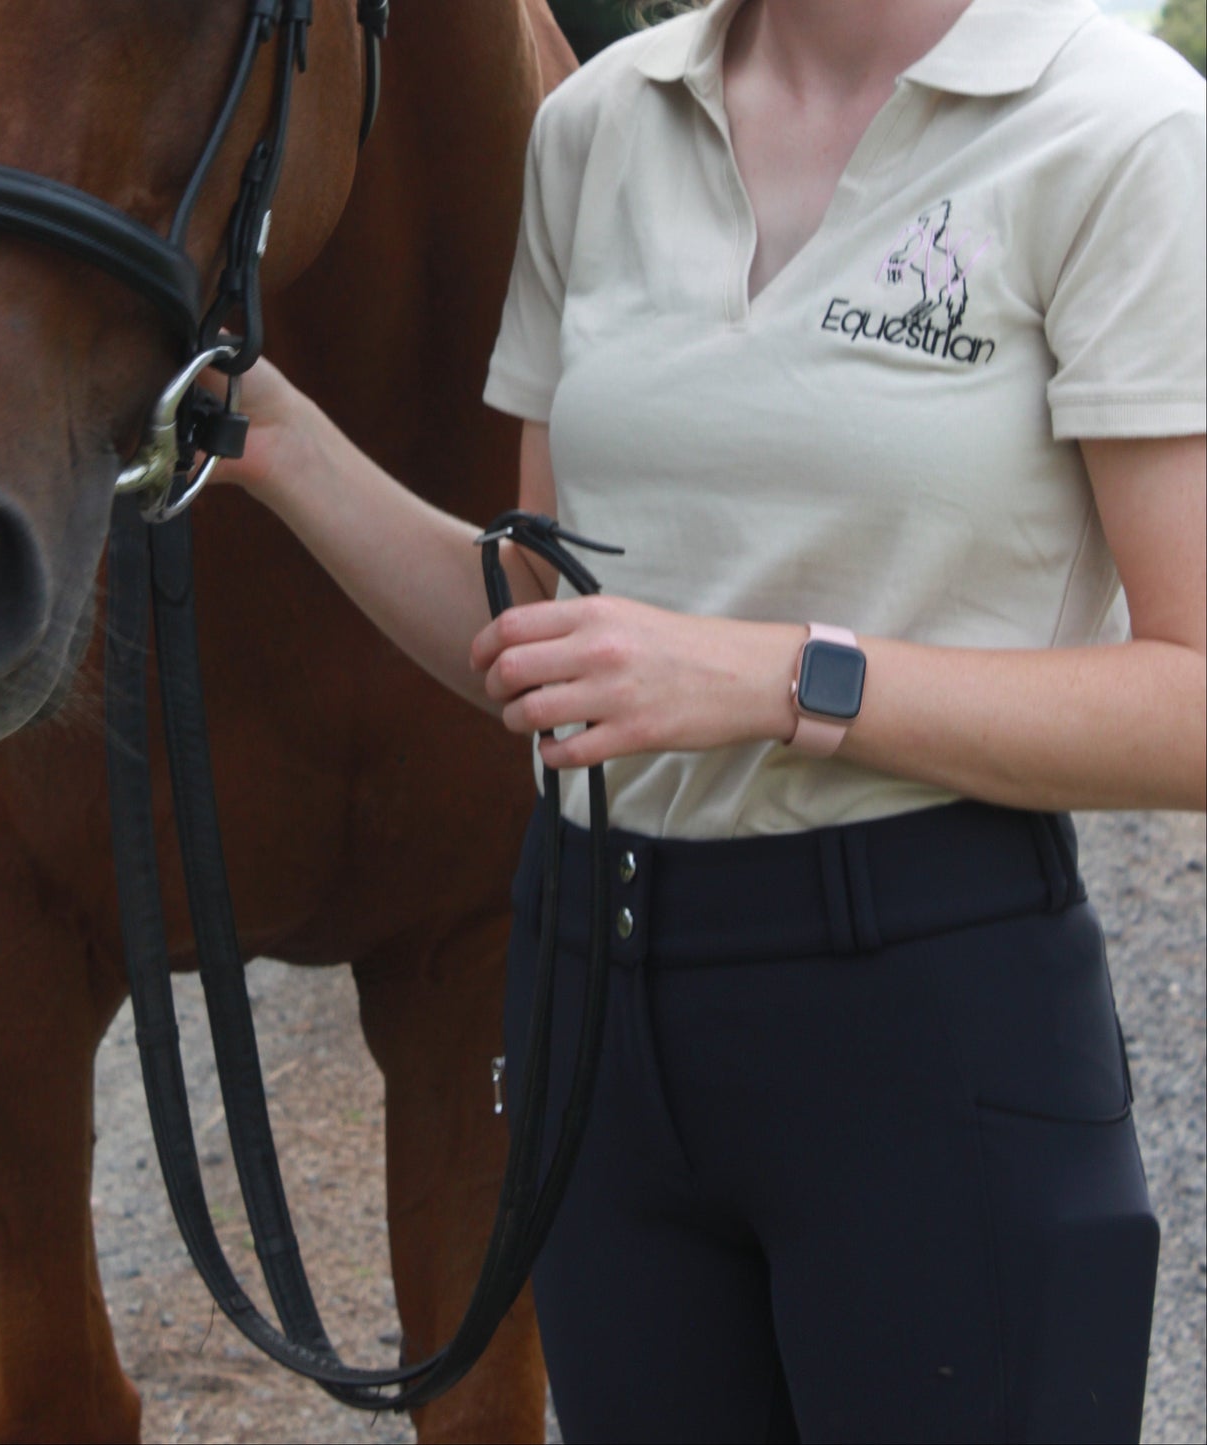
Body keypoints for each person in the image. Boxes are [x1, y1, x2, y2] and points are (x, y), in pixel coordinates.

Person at [211, 0, 1206, 1438]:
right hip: (592, 1003)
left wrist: (771, 677)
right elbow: (550, 624)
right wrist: (285, 444)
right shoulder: (598, 123)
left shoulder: (1116, 129)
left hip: (922, 1006)